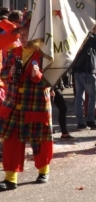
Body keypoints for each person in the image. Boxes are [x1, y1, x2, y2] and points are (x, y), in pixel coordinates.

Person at [0, 10, 53, 191]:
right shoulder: (13, 52)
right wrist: (9, 74)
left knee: (40, 140)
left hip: (36, 103)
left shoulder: (45, 55)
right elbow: (4, 73)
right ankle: (10, 178)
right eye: (20, 34)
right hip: (14, 102)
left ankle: (44, 170)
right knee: (11, 139)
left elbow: (50, 82)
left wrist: (38, 76)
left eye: (25, 34)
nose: (21, 37)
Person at [72, 25, 96, 130]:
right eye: (95, 26)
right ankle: (90, 120)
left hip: (77, 70)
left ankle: (80, 122)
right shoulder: (89, 38)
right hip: (87, 71)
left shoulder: (78, 36)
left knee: (79, 97)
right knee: (93, 95)